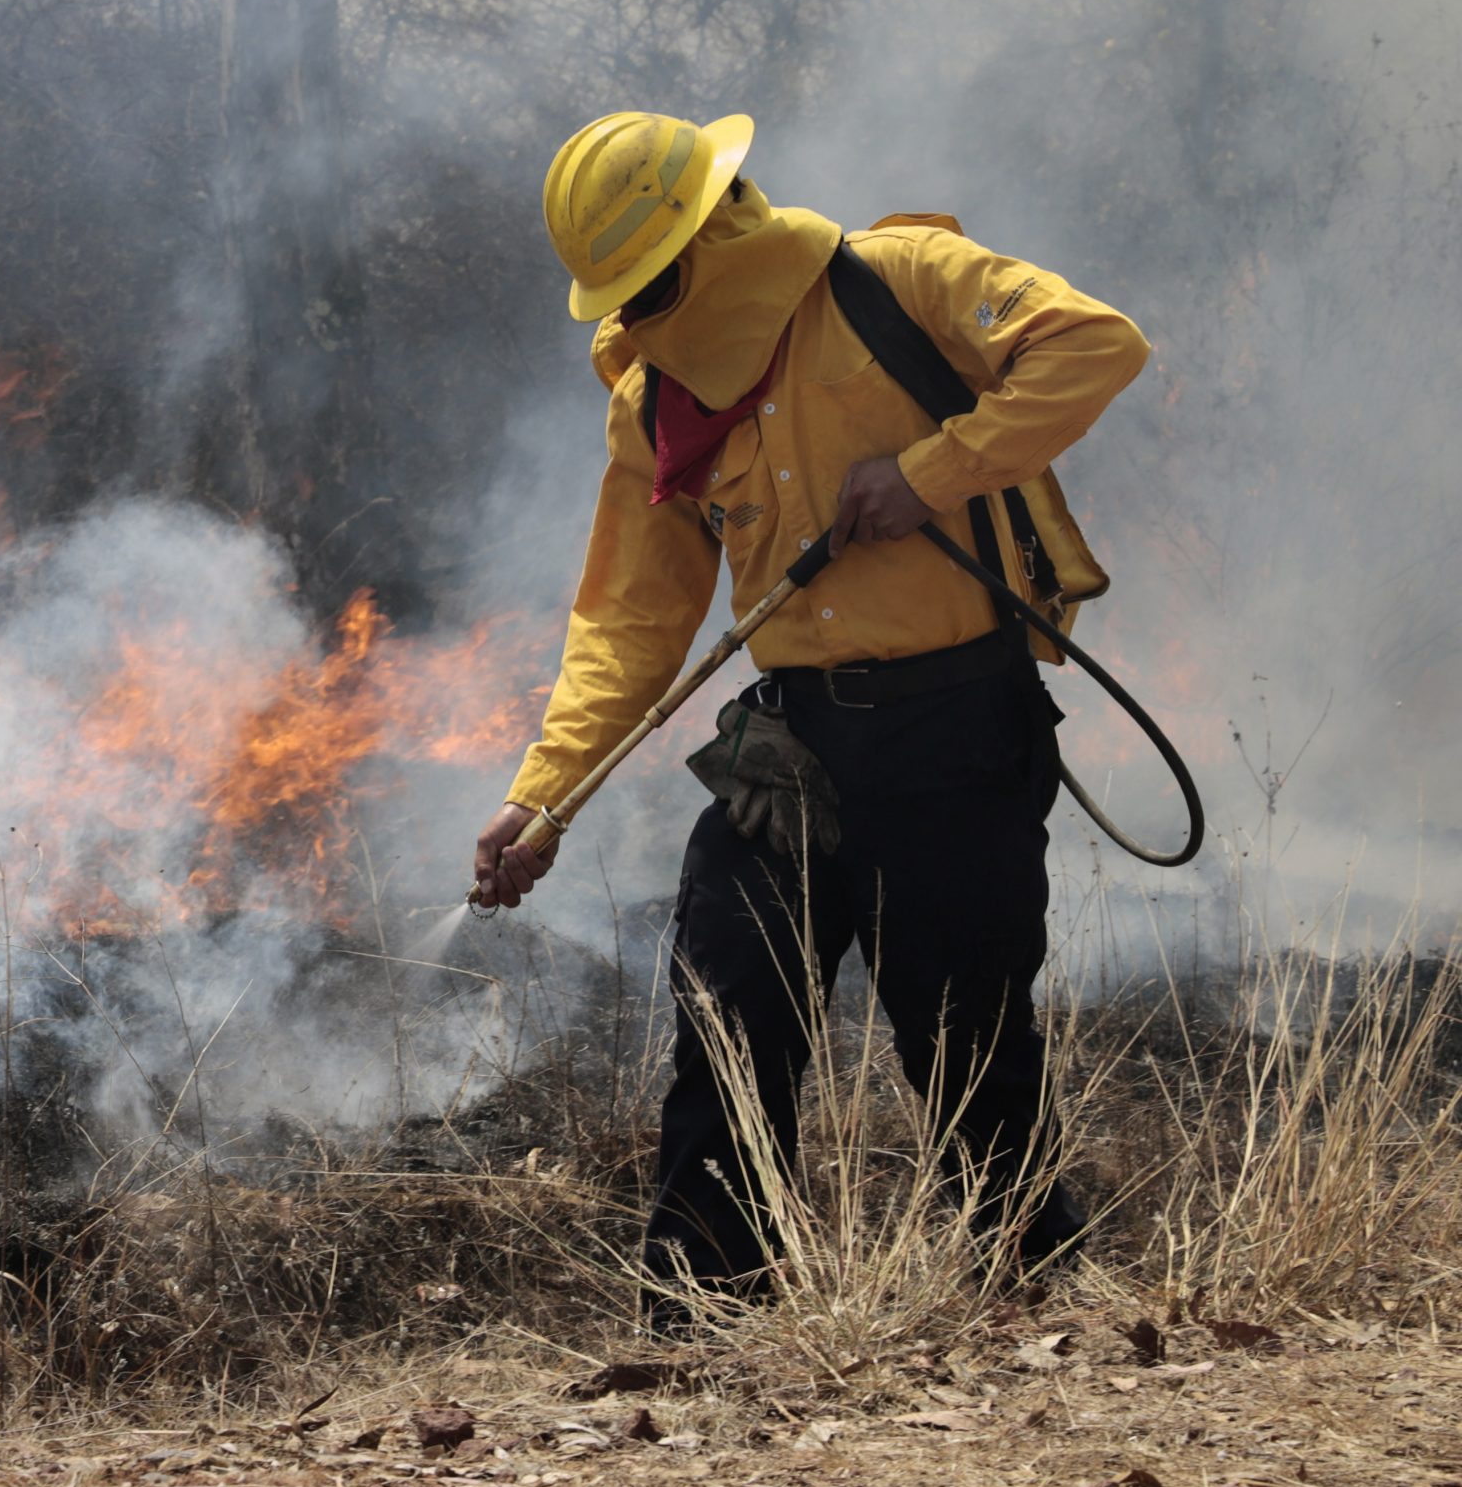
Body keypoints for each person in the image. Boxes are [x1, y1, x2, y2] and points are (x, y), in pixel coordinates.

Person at [471, 110, 1149, 1320]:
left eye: (652, 281)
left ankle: (1037, 1301)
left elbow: (1096, 344)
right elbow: (630, 620)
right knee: (727, 1014)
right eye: (617, 294)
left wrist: (931, 470)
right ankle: (697, 1320)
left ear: (717, 226)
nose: (635, 315)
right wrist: (545, 794)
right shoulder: (655, 403)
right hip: (788, 745)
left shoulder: (901, 281)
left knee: (967, 1042)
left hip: (960, 730)